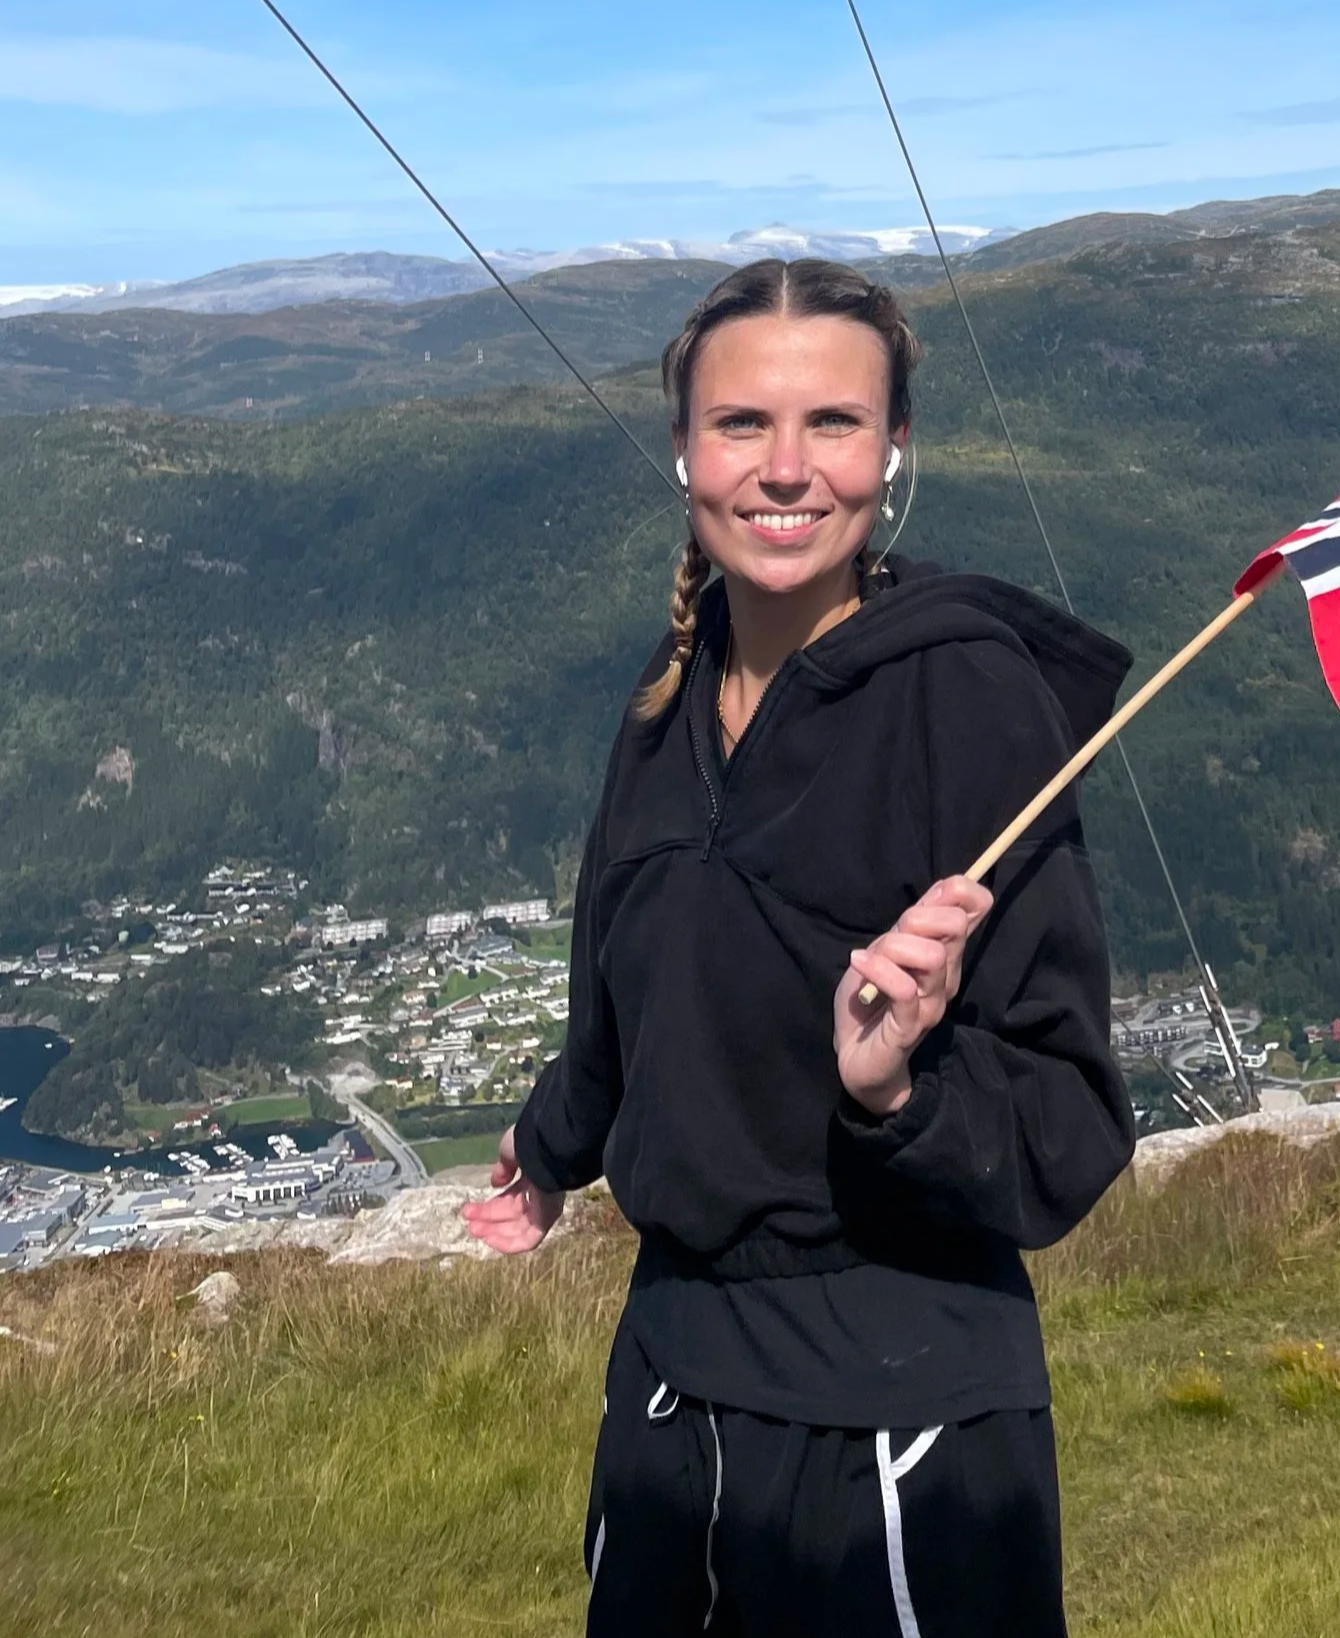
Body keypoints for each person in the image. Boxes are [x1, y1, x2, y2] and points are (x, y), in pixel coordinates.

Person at [462, 257, 1137, 1637]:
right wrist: (550, 1148)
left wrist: (898, 1091)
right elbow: (623, 993)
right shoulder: (665, 701)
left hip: (900, 1427)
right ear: (681, 452)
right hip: (666, 1393)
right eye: (738, 425)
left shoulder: (969, 703)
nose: (783, 470)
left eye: (831, 422)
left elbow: (1068, 1126)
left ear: (894, 451)